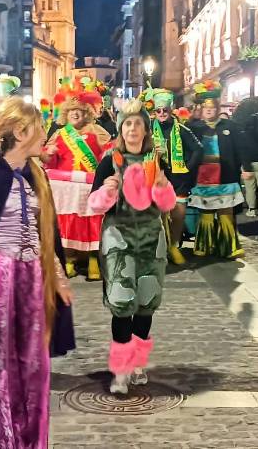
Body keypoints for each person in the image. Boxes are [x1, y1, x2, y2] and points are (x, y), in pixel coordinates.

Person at [0, 98, 75, 447]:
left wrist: (59, 278)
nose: (45, 135)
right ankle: (2, 439)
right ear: (20, 132)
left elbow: (44, 230)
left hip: (32, 278)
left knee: (34, 362)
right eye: (38, 128)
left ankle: (32, 438)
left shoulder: (36, 173)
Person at [87, 99, 177, 395]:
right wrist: (107, 191)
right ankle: (121, 369)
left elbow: (168, 205)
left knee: (147, 300)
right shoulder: (109, 162)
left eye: (138, 123)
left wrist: (162, 186)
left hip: (151, 239)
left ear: (146, 129)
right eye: (127, 123)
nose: (133, 128)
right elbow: (93, 204)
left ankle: (138, 363)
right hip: (119, 240)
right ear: (120, 129)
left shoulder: (156, 160)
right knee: (122, 302)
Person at [43, 81, 112, 280]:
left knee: (92, 223)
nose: (75, 114)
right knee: (68, 223)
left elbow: (109, 155)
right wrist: (49, 153)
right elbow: (48, 160)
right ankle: (69, 259)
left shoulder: (97, 131)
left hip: (90, 186)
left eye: (79, 111)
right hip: (66, 189)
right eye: (71, 110)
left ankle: (92, 259)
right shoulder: (59, 133)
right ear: (66, 113)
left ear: (86, 113)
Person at [186, 80, 245, 259]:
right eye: (206, 108)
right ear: (201, 110)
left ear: (218, 108)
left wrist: (246, 168)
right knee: (206, 214)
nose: (209, 110)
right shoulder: (192, 128)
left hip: (226, 176)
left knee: (226, 212)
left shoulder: (230, 126)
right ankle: (205, 245)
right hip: (203, 177)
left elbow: (240, 148)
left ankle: (229, 247)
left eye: (212, 107)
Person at [144, 88, 203, 265]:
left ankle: (174, 245)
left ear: (171, 110)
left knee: (179, 213)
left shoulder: (182, 130)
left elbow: (198, 150)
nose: (161, 113)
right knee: (156, 216)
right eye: (158, 110)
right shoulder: (147, 130)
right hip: (155, 178)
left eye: (165, 110)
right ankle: (158, 247)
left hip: (178, 179)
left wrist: (187, 168)